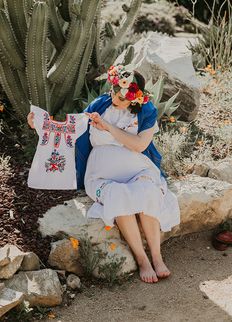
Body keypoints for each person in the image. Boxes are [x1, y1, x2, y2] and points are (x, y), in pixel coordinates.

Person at [27, 64, 180, 284]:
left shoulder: (146, 111)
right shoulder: (100, 105)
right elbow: (70, 128)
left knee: (148, 191)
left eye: (120, 94)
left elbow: (138, 145)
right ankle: (142, 259)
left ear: (134, 97)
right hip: (101, 175)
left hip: (138, 168)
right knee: (118, 195)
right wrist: (39, 124)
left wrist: (108, 127)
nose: (113, 96)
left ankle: (156, 257)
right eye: (113, 90)